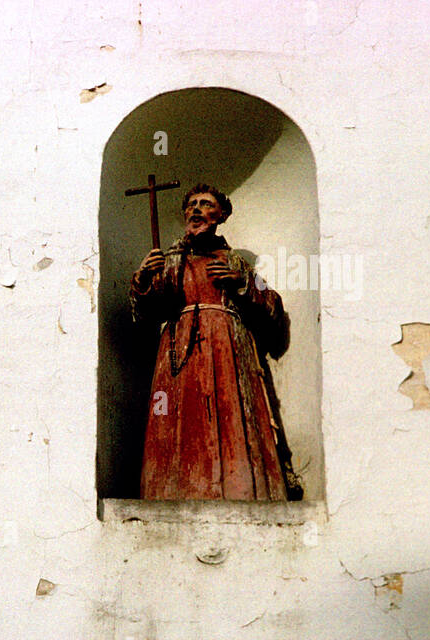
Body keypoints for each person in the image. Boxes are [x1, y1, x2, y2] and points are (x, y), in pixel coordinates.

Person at [129, 184, 302, 500]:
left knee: (227, 411)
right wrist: (143, 278)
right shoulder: (169, 261)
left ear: (221, 215)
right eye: (191, 204)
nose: (195, 209)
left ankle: (238, 489)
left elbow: (273, 306)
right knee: (174, 415)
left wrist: (242, 283)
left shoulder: (235, 262)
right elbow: (143, 315)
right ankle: (173, 489)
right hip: (177, 350)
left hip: (226, 350)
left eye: (205, 203)